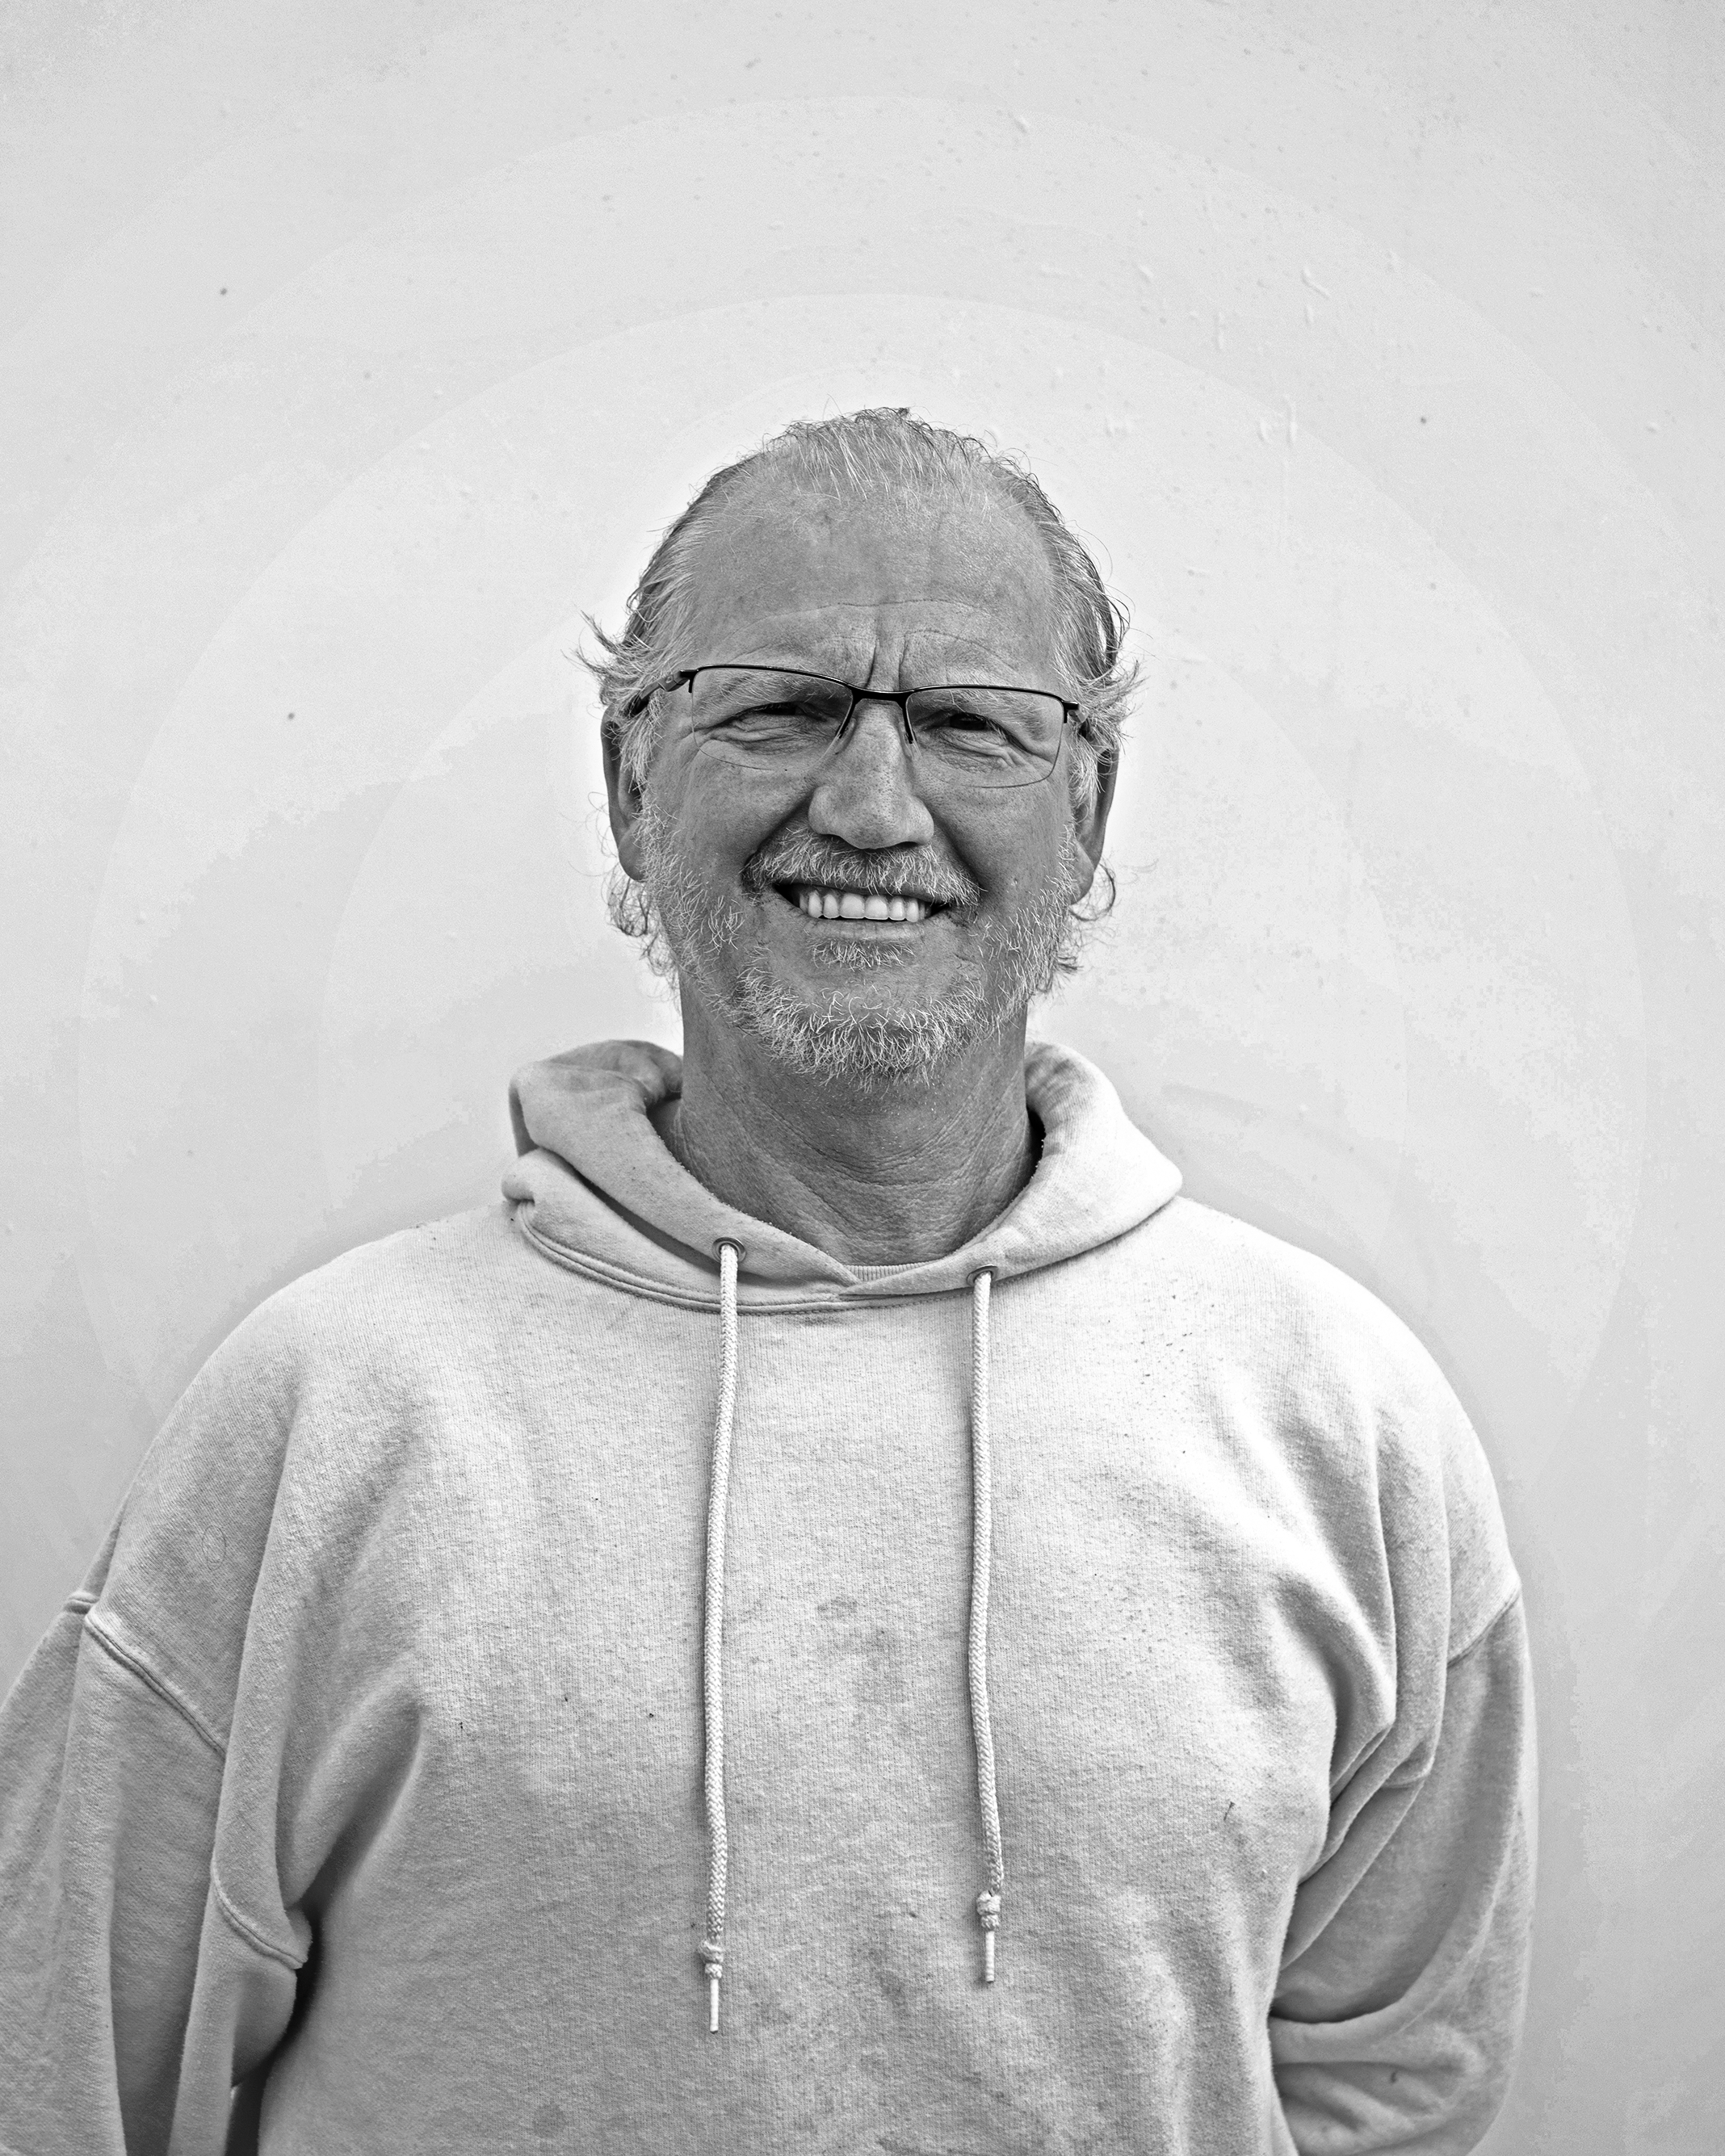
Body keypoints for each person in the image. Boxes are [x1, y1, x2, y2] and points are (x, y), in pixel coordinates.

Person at [0, 409, 1534, 2154]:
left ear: (1087, 803)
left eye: (970, 723)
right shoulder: (330, 1414)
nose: (873, 805)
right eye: (783, 708)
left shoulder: (1343, 1422)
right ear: (630, 778)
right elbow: (57, 2071)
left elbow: (1398, 2085)